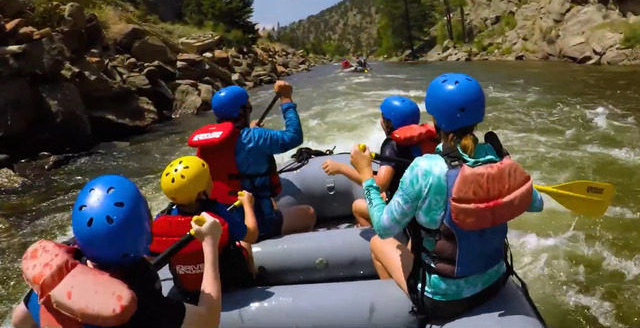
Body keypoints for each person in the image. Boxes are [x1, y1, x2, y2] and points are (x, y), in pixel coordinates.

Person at [349, 73, 544, 323]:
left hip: (444, 300)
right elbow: (535, 203)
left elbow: (385, 227)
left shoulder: (425, 169)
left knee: (378, 243)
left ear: (434, 119)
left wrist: (366, 175)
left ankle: (403, 317)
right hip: (495, 281)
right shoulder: (497, 158)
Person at [11, 175, 223, 328]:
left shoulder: (54, 280)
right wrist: (210, 244)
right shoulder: (144, 305)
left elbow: (18, 321)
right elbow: (209, 319)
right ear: (144, 232)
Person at [188, 81, 316, 244]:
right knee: (309, 213)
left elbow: (236, 142)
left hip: (224, 221)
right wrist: (286, 99)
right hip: (258, 225)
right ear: (243, 110)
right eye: (248, 106)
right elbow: (294, 136)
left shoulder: (208, 142)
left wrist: (251, 129)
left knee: (271, 202)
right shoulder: (256, 137)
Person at [149, 156, 258, 305]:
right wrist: (247, 204)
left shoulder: (161, 221)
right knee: (243, 243)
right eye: (209, 179)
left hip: (186, 291)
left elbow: (150, 255)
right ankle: (252, 276)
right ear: (201, 193)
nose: (211, 181)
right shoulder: (217, 215)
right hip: (225, 285)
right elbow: (251, 235)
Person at [321, 96, 437, 226]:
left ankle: (386, 240)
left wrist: (341, 169)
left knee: (357, 207)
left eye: (382, 117)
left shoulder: (391, 145)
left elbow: (380, 184)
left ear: (388, 123)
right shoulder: (424, 139)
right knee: (382, 196)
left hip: (404, 213)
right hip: (422, 205)